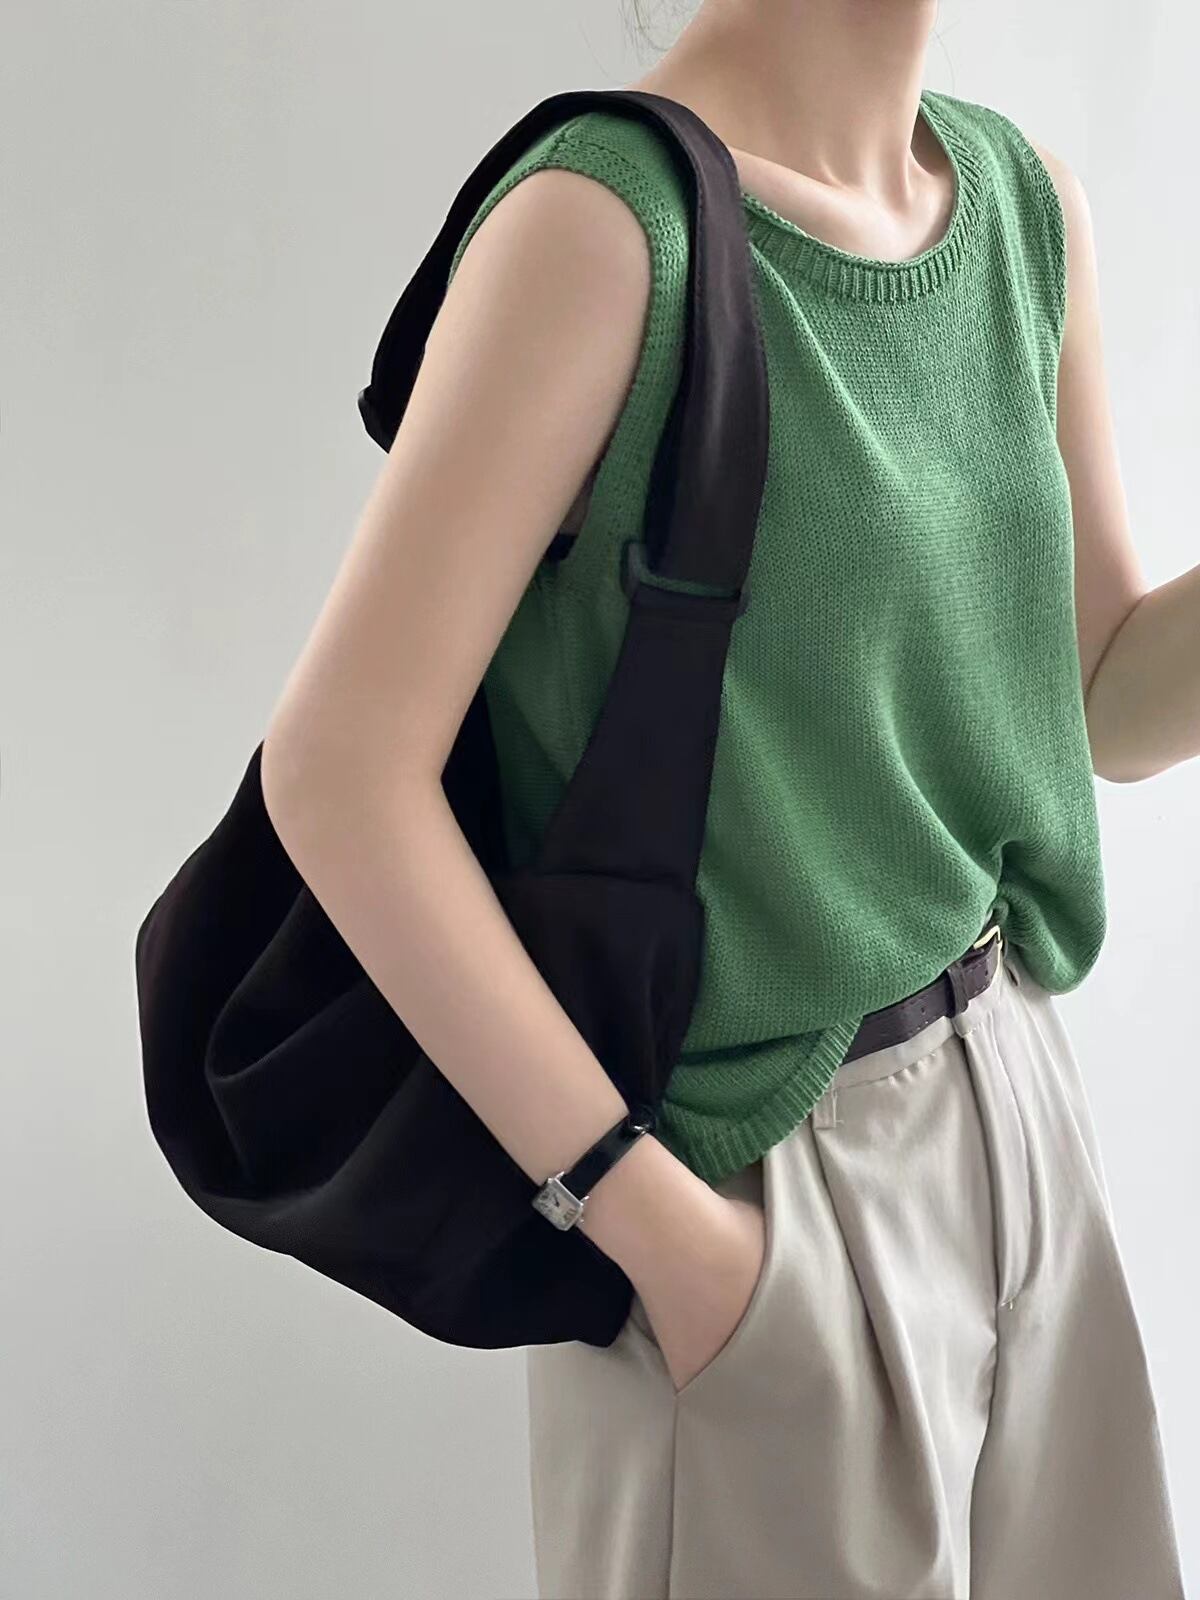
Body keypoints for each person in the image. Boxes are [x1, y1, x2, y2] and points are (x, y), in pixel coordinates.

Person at [258, 2, 1193, 1595]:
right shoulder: (603, 227)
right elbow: (342, 772)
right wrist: (670, 1247)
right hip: (762, 1175)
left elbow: (1099, 692)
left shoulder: (1024, 205)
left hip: (1019, 1104)